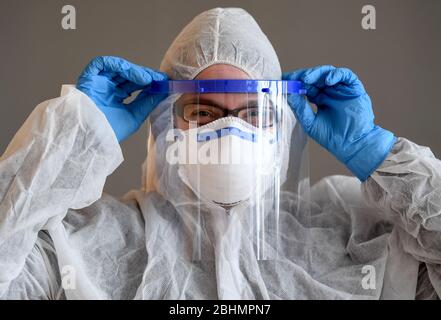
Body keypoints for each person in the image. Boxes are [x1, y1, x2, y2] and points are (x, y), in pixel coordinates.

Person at [1, 7, 440, 300]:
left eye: (253, 112)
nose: (230, 131)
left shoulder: (353, 241)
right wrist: (75, 134)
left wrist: (374, 152)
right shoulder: (86, 248)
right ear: (165, 123)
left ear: (280, 126)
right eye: (203, 111)